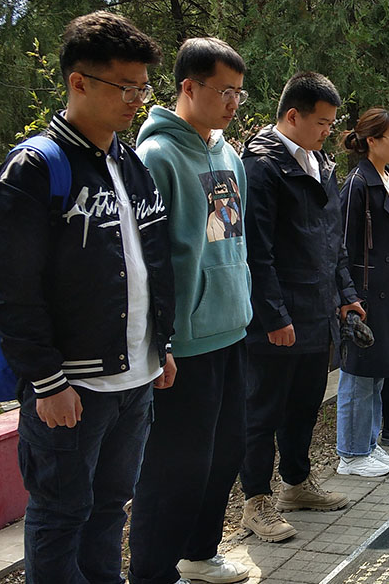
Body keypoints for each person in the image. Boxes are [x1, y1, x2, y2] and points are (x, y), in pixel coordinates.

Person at [0, 11, 173, 584]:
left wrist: (161, 344)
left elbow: (150, 263)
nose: (137, 100)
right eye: (124, 87)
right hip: (73, 386)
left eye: (143, 87)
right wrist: (46, 380)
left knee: (110, 507)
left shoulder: (129, 162)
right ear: (78, 82)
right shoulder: (33, 169)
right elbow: (11, 291)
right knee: (61, 514)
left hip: (136, 378)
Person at [129, 38, 252, 584]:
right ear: (188, 86)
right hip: (184, 342)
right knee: (174, 467)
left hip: (231, 329)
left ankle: (201, 554)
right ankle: (152, 572)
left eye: (239, 93)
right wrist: (163, 340)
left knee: (225, 453)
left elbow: (233, 240)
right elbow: (148, 259)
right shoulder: (157, 156)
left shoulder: (228, 155)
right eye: (223, 91)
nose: (232, 103)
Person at [239, 72, 363, 542]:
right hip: (279, 315)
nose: (329, 131)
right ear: (292, 116)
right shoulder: (262, 167)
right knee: (263, 410)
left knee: (305, 404)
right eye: (322, 123)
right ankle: (256, 500)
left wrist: (346, 295)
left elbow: (334, 241)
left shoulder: (321, 163)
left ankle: (296, 483)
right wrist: (273, 315)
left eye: (331, 123)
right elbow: (257, 250)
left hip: (319, 309)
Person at [336, 108, 389, 477]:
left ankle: (368, 443)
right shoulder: (357, 184)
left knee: (377, 372)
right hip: (364, 293)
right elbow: (341, 246)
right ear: (371, 141)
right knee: (358, 373)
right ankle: (350, 454)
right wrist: (347, 296)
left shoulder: (388, 178)